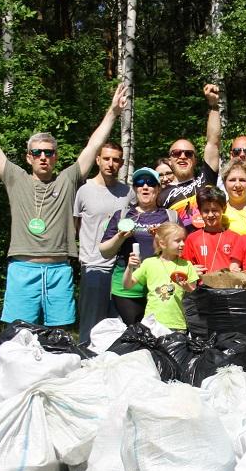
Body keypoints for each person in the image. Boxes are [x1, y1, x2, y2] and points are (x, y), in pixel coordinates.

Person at [0, 77, 125, 328]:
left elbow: (93, 145)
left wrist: (113, 112)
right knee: (19, 335)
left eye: (49, 152)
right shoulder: (14, 178)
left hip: (59, 270)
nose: (43, 157)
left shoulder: (68, 179)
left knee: (58, 336)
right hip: (23, 269)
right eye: (37, 153)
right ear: (28, 157)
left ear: (56, 156)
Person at [72, 141, 133, 344]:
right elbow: (74, 227)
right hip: (93, 266)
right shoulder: (84, 191)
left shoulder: (128, 193)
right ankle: (84, 363)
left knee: (117, 327)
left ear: (121, 163)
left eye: (115, 160)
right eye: (106, 158)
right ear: (98, 160)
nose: (110, 163)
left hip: (120, 269)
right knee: (91, 326)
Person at [99, 167, 177, 324]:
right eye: (140, 183)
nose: (145, 186)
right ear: (135, 188)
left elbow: (181, 249)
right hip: (127, 286)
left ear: (158, 188)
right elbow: (105, 251)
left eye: (151, 183)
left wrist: (162, 241)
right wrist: (120, 237)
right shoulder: (122, 215)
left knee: (160, 333)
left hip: (159, 285)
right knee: (134, 332)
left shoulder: (170, 216)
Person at [159, 84, 222, 227]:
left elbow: (213, 142)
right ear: (170, 160)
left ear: (195, 159)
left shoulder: (206, 178)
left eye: (188, 153)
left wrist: (214, 105)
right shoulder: (161, 195)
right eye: (176, 153)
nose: (182, 156)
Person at [124, 222, 198, 331]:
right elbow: (127, 285)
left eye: (183, 240)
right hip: (151, 323)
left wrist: (187, 287)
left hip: (177, 324)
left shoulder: (187, 265)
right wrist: (129, 267)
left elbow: (195, 295)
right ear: (163, 244)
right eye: (177, 241)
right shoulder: (149, 263)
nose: (182, 244)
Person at [182, 187, 240, 275]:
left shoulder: (235, 238)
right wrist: (190, 270)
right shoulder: (192, 239)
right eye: (206, 211)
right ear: (199, 211)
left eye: (214, 210)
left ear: (223, 209)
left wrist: (238, 270)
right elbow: (185, 267)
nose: (210, 215)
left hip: (230, 287)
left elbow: (243, 265)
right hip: (204, 287)